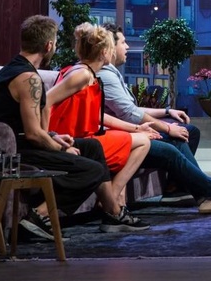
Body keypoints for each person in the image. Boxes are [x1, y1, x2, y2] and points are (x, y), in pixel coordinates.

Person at [0, 15, 145, 239]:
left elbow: (27, 126)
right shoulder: (28, 78)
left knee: (93, 148)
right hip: (16, 153)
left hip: (21, 143)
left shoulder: (14, 70)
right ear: (49, 46)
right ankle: (37, 217)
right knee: (92, 170)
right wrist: (60, 148)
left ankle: (113, 213)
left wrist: (54, 136)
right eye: (55, 42)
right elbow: (33, 134)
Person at [99, 23, 211, 213]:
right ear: (110, 47)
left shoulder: (112, 73)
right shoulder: (106, 76)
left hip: (130, 133)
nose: (127, 46)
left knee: (190, 132)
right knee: (175, 141)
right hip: (125, 138)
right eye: (123, 42)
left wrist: (168, 112)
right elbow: (130, 114)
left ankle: (176, 189)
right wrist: (168, 128)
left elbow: (131, 110)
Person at [46, 23, 153, 216]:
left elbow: (95, 116)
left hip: (83, 136)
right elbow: (45, 101)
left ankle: (113, 203)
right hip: (72, 139)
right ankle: (113, 200)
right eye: (111, 48)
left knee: (139, 138)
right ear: (104, 53)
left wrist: (135, 128)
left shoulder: (86, 73)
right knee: (143, 142)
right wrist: (50, 138)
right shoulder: (82, 74)